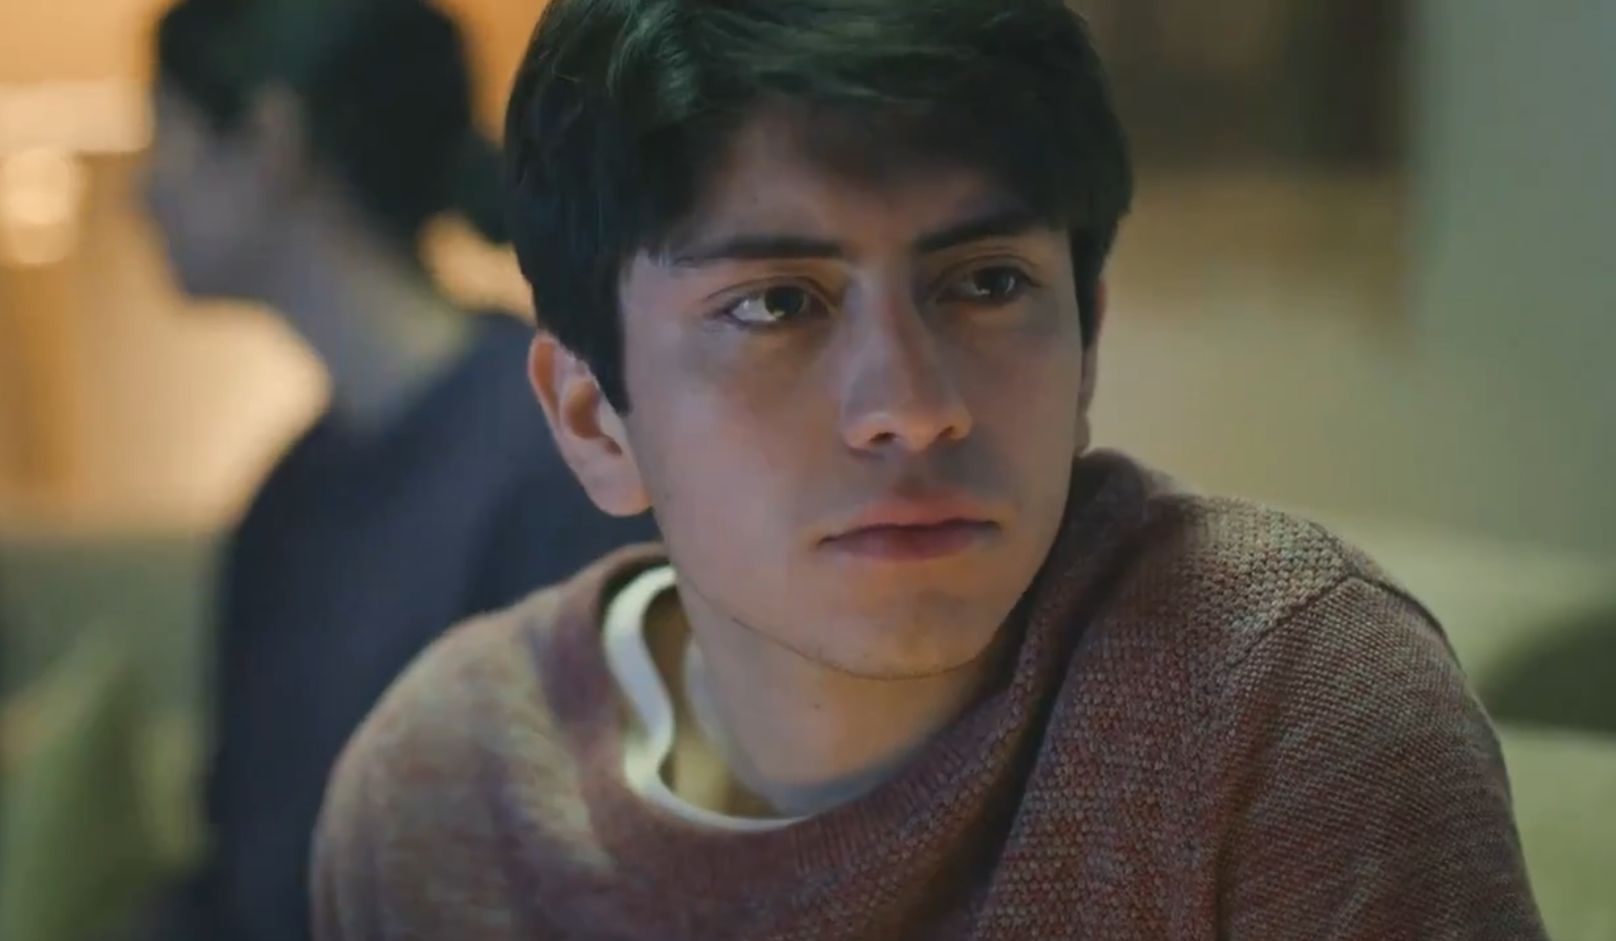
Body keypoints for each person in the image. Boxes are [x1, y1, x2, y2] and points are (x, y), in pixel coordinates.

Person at [312, 0, 1548, 937]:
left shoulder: (1280, 704)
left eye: (987, 283)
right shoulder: (443, 793)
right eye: (775, 303)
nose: (909, 408)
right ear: (593, 420)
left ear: (1085, 346)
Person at [139, 0, 656, 939]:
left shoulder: (553, 465)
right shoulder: (288, 496)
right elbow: (239, 868)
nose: (143, 187)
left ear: (272, 139)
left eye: (165, 131)